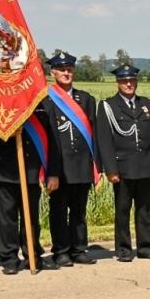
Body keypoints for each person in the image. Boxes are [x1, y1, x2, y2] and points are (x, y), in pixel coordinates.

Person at [0, 71, 57, 275]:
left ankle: (32, 254)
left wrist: (52, 171)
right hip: (7, 169)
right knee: (6, 216)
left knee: (31, 215)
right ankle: (9, 257)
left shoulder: (43, 104)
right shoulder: (3, 102)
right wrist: (9, 129)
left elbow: (52, 141)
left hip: (31, 169)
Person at [96, 64, 150, 262]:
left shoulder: (148, 104)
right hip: (122, 167)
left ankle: (145, 247)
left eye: (132, 81)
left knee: (144, 210)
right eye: (125, 81)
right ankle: (124, 249)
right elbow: (105, 141)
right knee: (123, 210)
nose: (129, 84)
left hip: (144, 165)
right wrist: (110, 169)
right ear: (118, 83)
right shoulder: (108, 106)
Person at [38, 51, 99, 267]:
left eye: (69, 69)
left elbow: (95, 134)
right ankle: (61, 250)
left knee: (79, 211)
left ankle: (79, 248)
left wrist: (96, 165)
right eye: (62, 70)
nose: (66, 73)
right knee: (58, 211)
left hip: (82, 165)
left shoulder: (86, 99)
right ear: (53, 72)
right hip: (59, 167)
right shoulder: (46, 100)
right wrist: (49, 172)